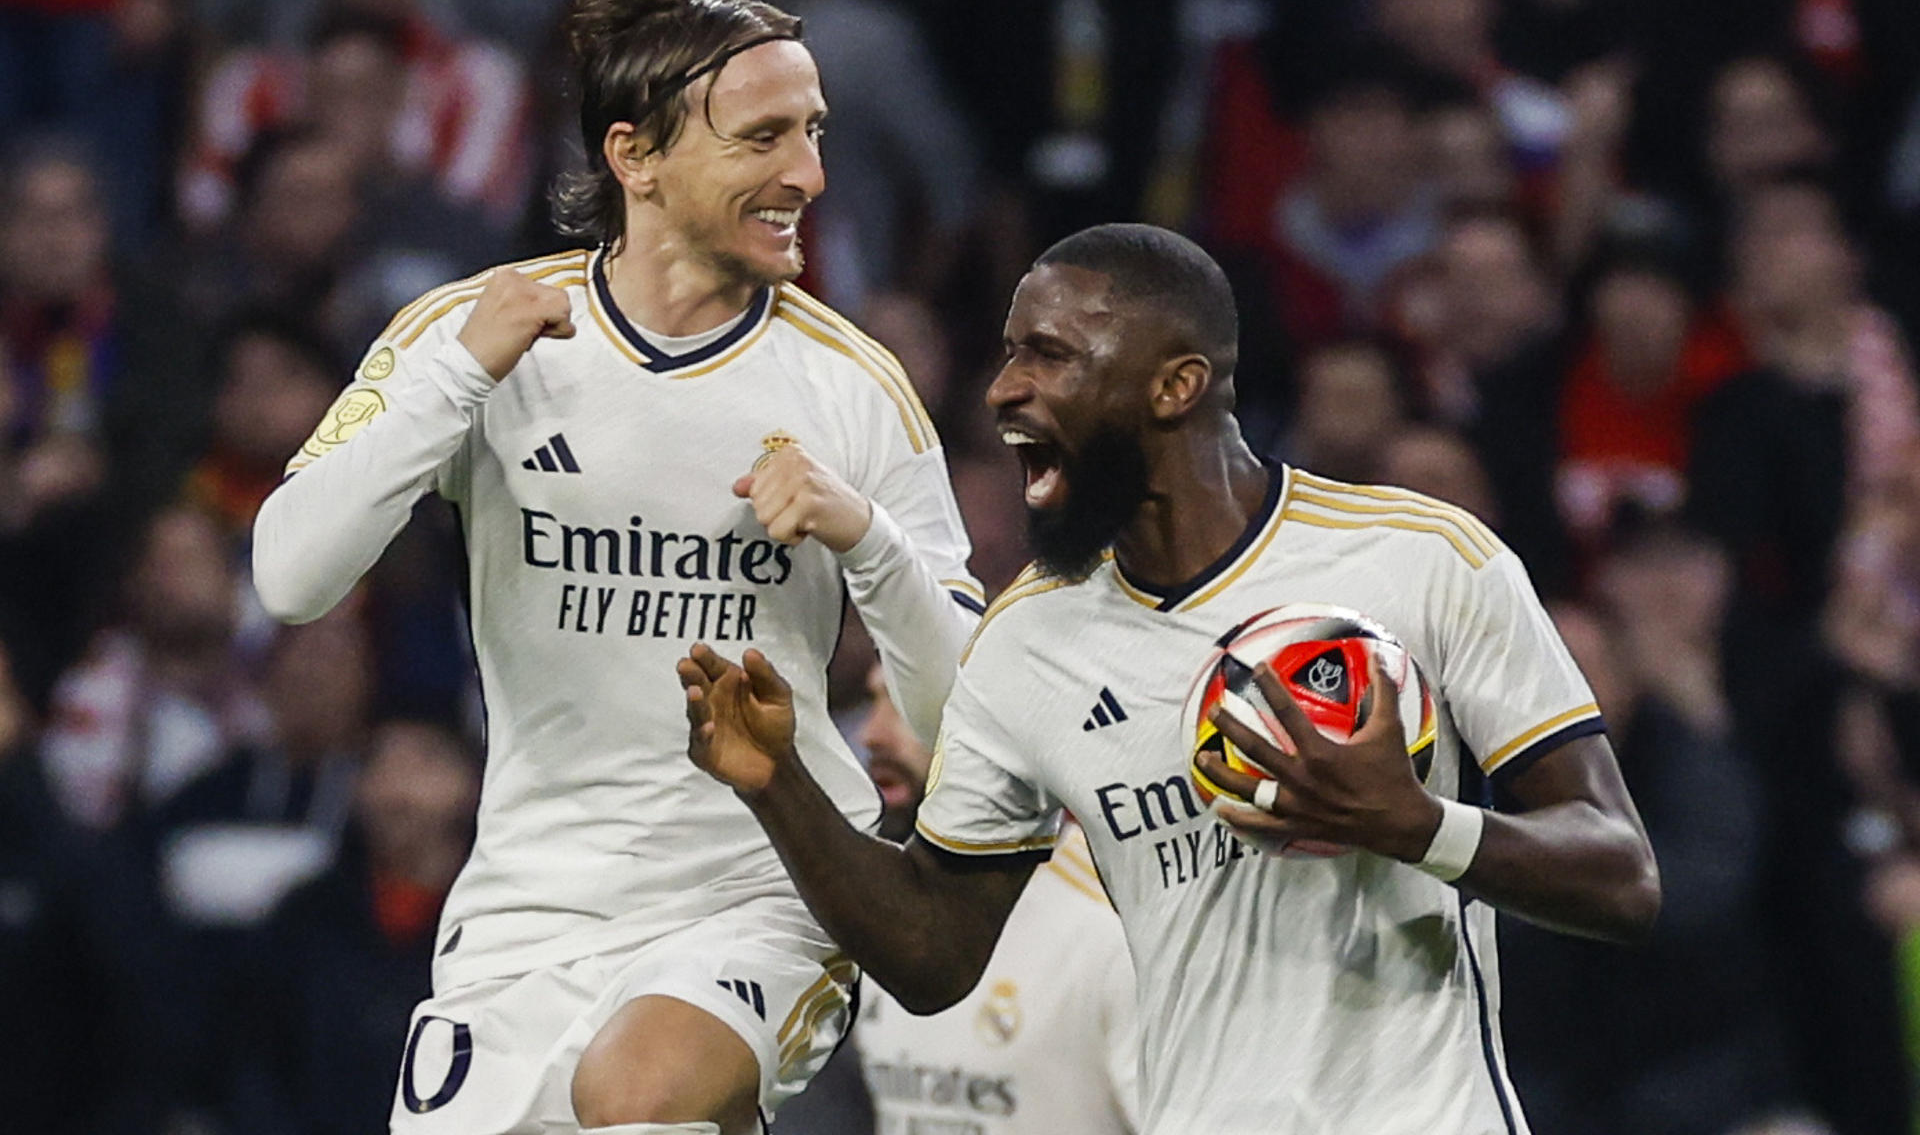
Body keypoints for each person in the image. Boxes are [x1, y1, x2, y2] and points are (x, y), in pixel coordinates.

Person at [680, 223, 1660, 1134]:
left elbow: (1621, 872)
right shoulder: (1027, 636)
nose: (1001, 390)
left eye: (1049, 354)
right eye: (1010, 350)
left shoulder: (1423, 557)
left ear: (1175, 385)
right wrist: (781, 784)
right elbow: (934, 953)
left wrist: (1416, 824)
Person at [251, 0, 982, 1135]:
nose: (808, 172)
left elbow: (967, 718)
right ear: (633, 155)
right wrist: (460, 378)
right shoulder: (472, 334)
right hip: (528, 906)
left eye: (815, 130)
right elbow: (288, 575)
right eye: (763, 138)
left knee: (635, 1098)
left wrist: (869, 540)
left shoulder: (853, 385)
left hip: (764, 888)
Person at [850, 659, 1139, 1135]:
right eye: (873, 701)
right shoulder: (879, 913)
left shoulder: (1112, 926)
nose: (871, 734)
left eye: (903, 704)